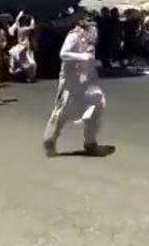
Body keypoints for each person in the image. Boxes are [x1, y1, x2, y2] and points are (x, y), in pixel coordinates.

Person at [43, 16, 106, 157]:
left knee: (98, 104)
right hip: (72, 80)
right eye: (92, 24)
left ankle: (90, 142)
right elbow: (63, 54)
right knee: (64, 111)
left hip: (88, 80)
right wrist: (82, 57)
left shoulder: (90, 38)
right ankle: (50, 140)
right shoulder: (74, 36)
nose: (95, 28)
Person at [7, 11, 38, 82]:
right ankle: (29, 77)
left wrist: (20, 14)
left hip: (24, 47)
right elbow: (32, 26)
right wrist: (32, 18)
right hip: (23, 47)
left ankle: (27, 76)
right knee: (30, 62)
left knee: (26, 62)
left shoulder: (19, 28)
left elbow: (17, 21)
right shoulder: (24, 29)